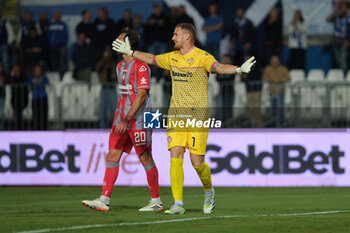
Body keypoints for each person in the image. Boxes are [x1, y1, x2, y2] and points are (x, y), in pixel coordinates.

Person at [112, 23, 255, 214]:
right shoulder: (172, 58)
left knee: (197, 163)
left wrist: (238, 69)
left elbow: (219, 67)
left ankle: (209, 191)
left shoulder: (202, 57)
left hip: (198, 116)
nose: (172, 38)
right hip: (176, 115)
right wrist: (130, 51)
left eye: (176, 34)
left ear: (187, 37)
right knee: (175, 155)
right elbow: (151, 59)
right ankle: (178, 203)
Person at [82, 28, 163, 212]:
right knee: (112, 155)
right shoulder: (120, 66)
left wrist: (127, 118)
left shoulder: (142, 66)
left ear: (129, 44)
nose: (115, 42)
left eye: (119, 40)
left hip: (141, 118)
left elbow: (142, 95)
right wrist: (121, 118)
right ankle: (104, 199)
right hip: (122, 119)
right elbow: (125, 94)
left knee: (145, 157)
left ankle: (156, 201)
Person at [262, 55, 290, 127]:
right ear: (271, 61)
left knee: (280, 108)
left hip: (281, 92)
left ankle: (281, 123)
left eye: (276, 60)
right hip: (272, 92)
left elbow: (288, 78)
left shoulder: (283, 68)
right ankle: (274, 123)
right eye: (273, 60)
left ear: (279, 61)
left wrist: (279, 79)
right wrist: (272, 79)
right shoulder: (267, 69)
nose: (275, 62)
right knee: (274, 108)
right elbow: (264, 78)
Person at [96, 47, 117, 128]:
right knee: (102, 112)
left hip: (112, 88)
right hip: (104, 88)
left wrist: (110, 63)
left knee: (114, 112)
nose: (107, 56)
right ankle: (102, 128)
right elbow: (97, 69)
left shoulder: (114, 64)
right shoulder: (101, 63)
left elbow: (117, 74)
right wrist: (103, 61)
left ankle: (115, 129)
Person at [27, 64, 49, 130]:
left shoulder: (44, 77)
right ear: (34, 71)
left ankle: (44, 131)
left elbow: (47, 82)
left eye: (39, 70)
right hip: (35, 99)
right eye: (36, 70)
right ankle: (36, 131)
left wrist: (39, 82)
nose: (37, 71)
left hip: (43, 99)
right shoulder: (31, 78)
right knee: (36, 116)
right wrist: (32, 82)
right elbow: (26, 83)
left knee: (43, 116)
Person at [47, 11, 69, 77]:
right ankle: (55, 79)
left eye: (57, 15)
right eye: (55, 15)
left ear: (60, 16)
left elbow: (66, 36)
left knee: (62, 65)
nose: (56, 16)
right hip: (52, 48)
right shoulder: (51, 25)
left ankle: (62, 79)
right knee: (53, 65)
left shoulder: (63, 25)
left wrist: (64, 47)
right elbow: (48, 36)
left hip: (61, 48)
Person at [8, 64, 28, 130]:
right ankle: (17, 128)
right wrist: (11, 75)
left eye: (16, 68)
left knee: (19, 114)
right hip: (15, 99)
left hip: (22, 98)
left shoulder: (23, 76)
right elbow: (8, 82)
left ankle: (20, 128)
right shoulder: (12, 77)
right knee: (16, 114)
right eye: (14, 68)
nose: (15, 70)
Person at [0, 10, 14, 74]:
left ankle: (6, 76)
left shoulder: (5, 21)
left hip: (3, 44)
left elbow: (10, 32)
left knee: (5, 62)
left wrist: (8, 43)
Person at [0, 63, 7, 130]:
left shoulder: (4, 74)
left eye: (1, 66)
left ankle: (1, 130)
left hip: (1, 97)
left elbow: (7, 80)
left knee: (0, 115)